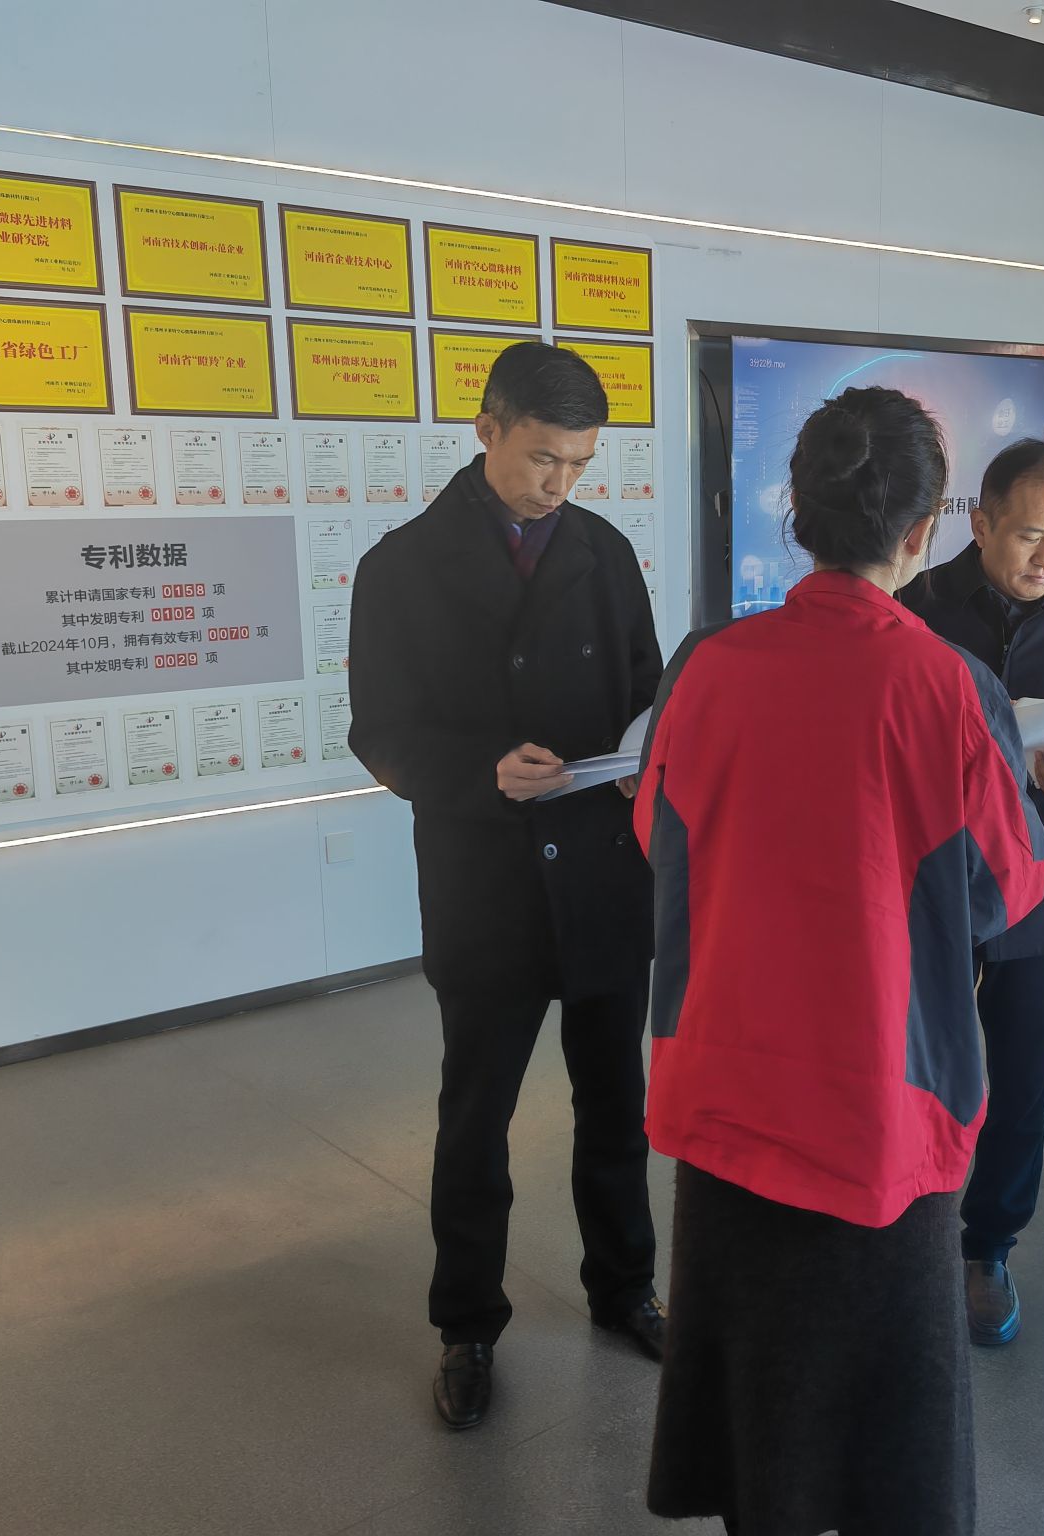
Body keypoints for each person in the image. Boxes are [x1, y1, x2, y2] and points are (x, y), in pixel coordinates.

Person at [635, 387, 1044, 1535]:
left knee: (757, 1410)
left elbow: (655, 836)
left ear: (798, 512)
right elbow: (1002, 889)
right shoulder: (949, 687)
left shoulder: (704, 666)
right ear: (921, 532)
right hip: (881, 1098)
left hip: (725, 1080)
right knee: (888, 1434)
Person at [348, 341, 667, 1433]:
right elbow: (380, 731)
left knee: (615, 1107)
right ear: (486, 430)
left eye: (578, 464)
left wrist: (643, 758)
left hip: (603, 873)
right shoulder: (400, 567)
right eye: (541, 458)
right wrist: (481, 773)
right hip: (484, 879)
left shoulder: (604, 552)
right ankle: (467, 1326)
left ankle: (625, 1287)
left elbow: (647, 692)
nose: (558, 484)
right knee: (474, 1118)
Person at [897, 439, 1044, 1348]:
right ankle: (908, 1231)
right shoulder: (915, 606)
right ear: (981, 522)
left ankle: (988, 1247)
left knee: (1024, 1080)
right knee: (921, 1069)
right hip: (938, 884)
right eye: (1031, 535)